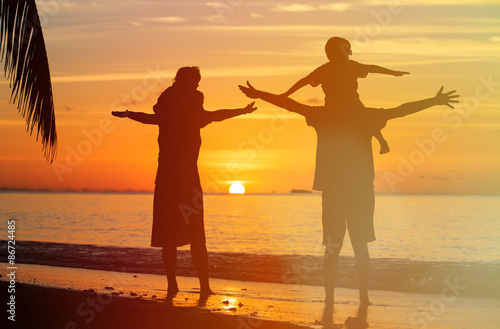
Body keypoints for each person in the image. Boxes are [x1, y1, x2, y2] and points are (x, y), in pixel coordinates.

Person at [239, 81, 458, 304]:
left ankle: (335, 299)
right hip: (358, 191)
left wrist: (259, 93)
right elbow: (401, 110)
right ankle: (359, 298)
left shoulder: (326, 115)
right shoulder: (361, 116)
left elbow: (289, 104)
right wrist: (434, 101)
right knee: (356, 246)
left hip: (340, 191)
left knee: (335, 247)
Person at [112, 66, 257, 295]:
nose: (198, 86)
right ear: (188, 84)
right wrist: (241, 111)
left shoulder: (173, 107)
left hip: (173, 179)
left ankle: (182, 286)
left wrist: (130, 114)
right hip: (182, 179)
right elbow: (214, 115)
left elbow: (153, 118)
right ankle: (195, 287)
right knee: (191, 236)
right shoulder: (186, 108)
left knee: (179, 236)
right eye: (196, 82)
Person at [281, 37, 410, 154]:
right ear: (336, 51)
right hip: (333, 108)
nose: (349, 53)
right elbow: (304, 81)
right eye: (347, 49)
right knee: (365, 118)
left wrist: (393, 72)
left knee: (366, 117)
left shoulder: (350, 66)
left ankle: (382, 142)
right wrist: (286, 93)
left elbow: (372, 68)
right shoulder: (326, 69)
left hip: (353, 104)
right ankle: (381, 142)